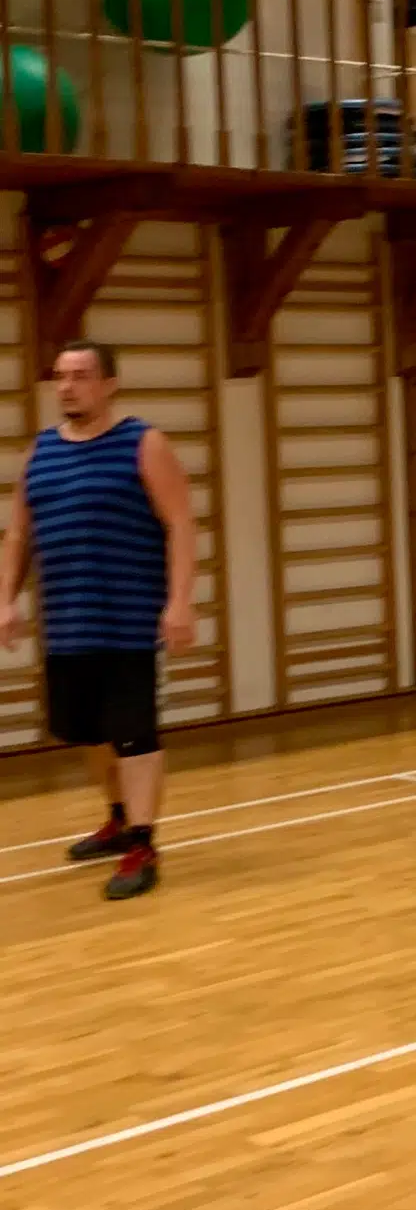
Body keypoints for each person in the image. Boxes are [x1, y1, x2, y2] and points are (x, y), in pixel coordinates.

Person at [0, 338, 196, 900]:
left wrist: (180, 602)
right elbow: (20, 533)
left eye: (80, 375)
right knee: (89, 733)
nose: (67, 386)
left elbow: (181, 523)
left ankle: (142, 843)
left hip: (129, 620)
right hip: (67, 623)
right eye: (60, 376)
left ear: (109, 383)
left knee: (133, 736)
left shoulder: (143, 443)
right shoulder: (41, 451)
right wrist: (7, 599)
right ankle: (115, 820)